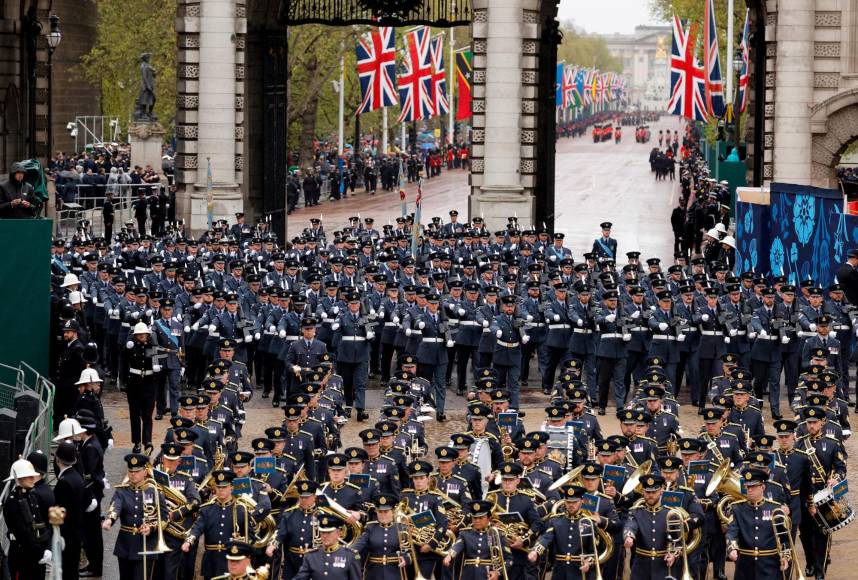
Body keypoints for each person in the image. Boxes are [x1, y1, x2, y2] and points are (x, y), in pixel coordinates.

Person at [3, 459, 53, 579]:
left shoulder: (31, 495)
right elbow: (22, 533)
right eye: (28, 476)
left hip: (37, 553)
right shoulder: (12, 502)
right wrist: (39, 553)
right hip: (23, 556)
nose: (32, 478)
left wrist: (47, 547)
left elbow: (41, 524)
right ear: (18, 479)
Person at [54, 441, 93, 580]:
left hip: (66, 534)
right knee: (72, 571)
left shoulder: (63, 482)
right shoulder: (77, 477)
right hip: (76, 532)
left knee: (67, 571)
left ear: (58, 460)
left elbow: (59, 512)